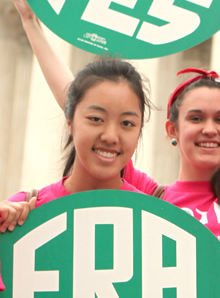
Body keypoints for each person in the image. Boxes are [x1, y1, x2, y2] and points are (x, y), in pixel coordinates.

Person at [6, 0, 220, 246]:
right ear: (172, 129)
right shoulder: (146, 196)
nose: (209, 129)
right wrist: (32, 24)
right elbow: (80, 101)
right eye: (196, 117)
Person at [0, 58, 151, 227]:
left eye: (127, 123)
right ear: (70, 123)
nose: (110, 137)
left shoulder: (155, 220)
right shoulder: (25, 212)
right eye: (96, 119)